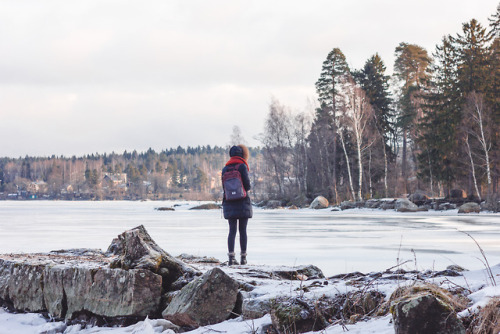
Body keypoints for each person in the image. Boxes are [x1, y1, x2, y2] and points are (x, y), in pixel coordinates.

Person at [221, 144, 252, 265]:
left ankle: (231, 258)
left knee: (232, 230)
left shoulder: (225, 169)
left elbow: (224, 187)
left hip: (229, 202)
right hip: (243, 201)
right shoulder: (242, 166)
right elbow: (247, 186)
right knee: (243, 230)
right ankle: (243, 258)